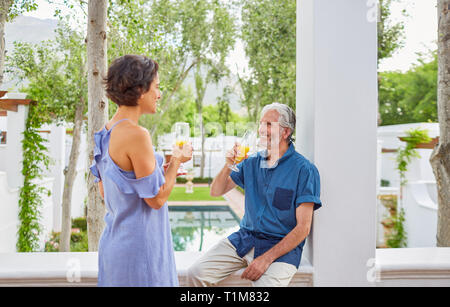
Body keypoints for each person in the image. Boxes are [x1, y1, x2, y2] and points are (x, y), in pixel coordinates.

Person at [187, 103, 322, 287]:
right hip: (245, 239)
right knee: (196, 273)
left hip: (281, 250)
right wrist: (228, 164)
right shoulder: (250, 162)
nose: (261, 129)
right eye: (260, 123)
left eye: (269, 124)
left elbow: (303, 229)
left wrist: (266, 259)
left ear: (285, 132)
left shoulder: (305, 171)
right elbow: (216, 191)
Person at [89, 54, 192, 287]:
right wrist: (176, 162)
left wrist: (159, 171)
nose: (159, 94)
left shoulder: (105, 133)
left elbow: (109, 193)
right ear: (139, 90)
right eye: (156, 87)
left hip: (115, 249)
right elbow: (155, 199)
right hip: (141, 251)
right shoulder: (137, 134)